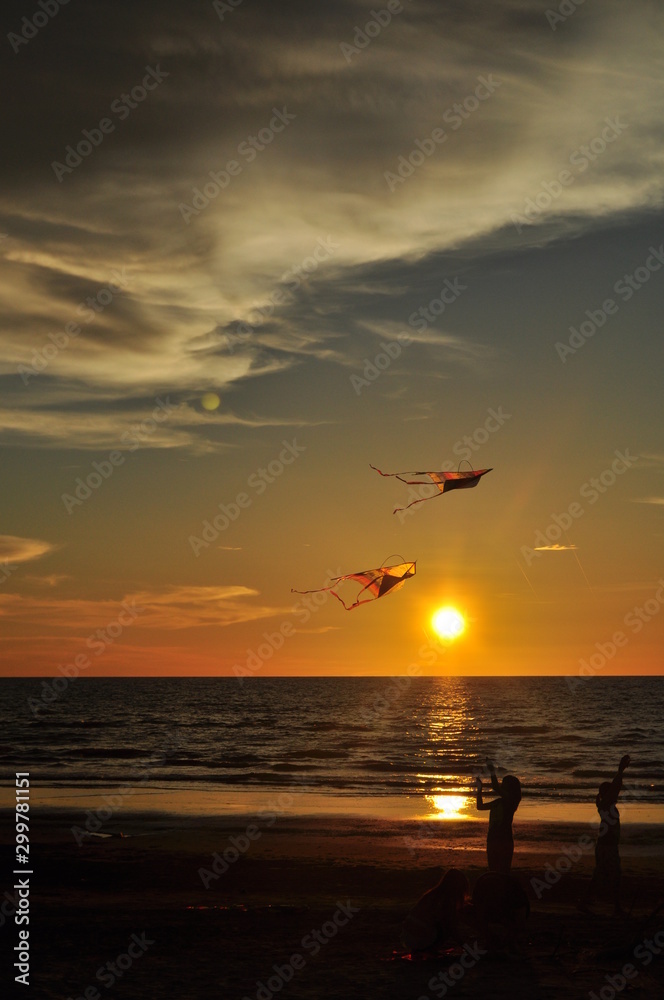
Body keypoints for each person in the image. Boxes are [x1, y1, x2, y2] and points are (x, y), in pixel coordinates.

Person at [579, 754, 630, 916]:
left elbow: (614, 790)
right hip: (607, 847)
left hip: (606, 846)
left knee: (602, 876)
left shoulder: (604, 806)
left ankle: (592, 902)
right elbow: (615, 788)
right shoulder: (606, 805)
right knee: (613, 876)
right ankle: (615, 906)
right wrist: (620, 771)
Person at [401, 868, 469, 955]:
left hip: (407, 936)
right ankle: (430, 949)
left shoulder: (432, 894)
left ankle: (420, 948)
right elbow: (452, 929)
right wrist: (468, 949)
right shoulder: (446, 900)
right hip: (418, 938)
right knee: (447, 927)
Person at [475, 760, 521, 873]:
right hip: (492, 839)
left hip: (504, 840)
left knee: (503, 871)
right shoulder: (499, 802)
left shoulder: (512, 801)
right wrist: (479, 791)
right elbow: (480, 807)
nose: (501, 785)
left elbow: (495, 786)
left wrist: (491, 771)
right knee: (493, 871)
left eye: (504, 784)